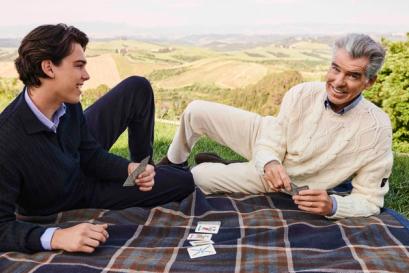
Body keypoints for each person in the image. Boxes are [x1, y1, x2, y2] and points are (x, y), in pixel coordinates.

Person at [0, 24, 194, 254]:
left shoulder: (67, 103)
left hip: (78, 163)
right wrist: (57, 237)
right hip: (72, 194)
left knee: (137, 87)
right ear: (49, 68)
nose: (86, 75)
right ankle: (155, 174)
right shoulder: (6, 140)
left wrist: (129, 169)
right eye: (79, 65)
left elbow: (90, 154)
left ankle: (145, 170)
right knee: (183, 181)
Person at [159, 33, 393, 219]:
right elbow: (272, 140)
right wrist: (269, 160)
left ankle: (222, 167)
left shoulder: (377, 128)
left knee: (199, 176)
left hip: (283, 178)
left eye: (352, 75)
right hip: (267, 141)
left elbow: (370, 200)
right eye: (335, 68)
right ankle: (173, 163)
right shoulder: (302, 93)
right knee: (196, 110)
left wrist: (334, 205)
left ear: (369, 82)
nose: (338, 82)